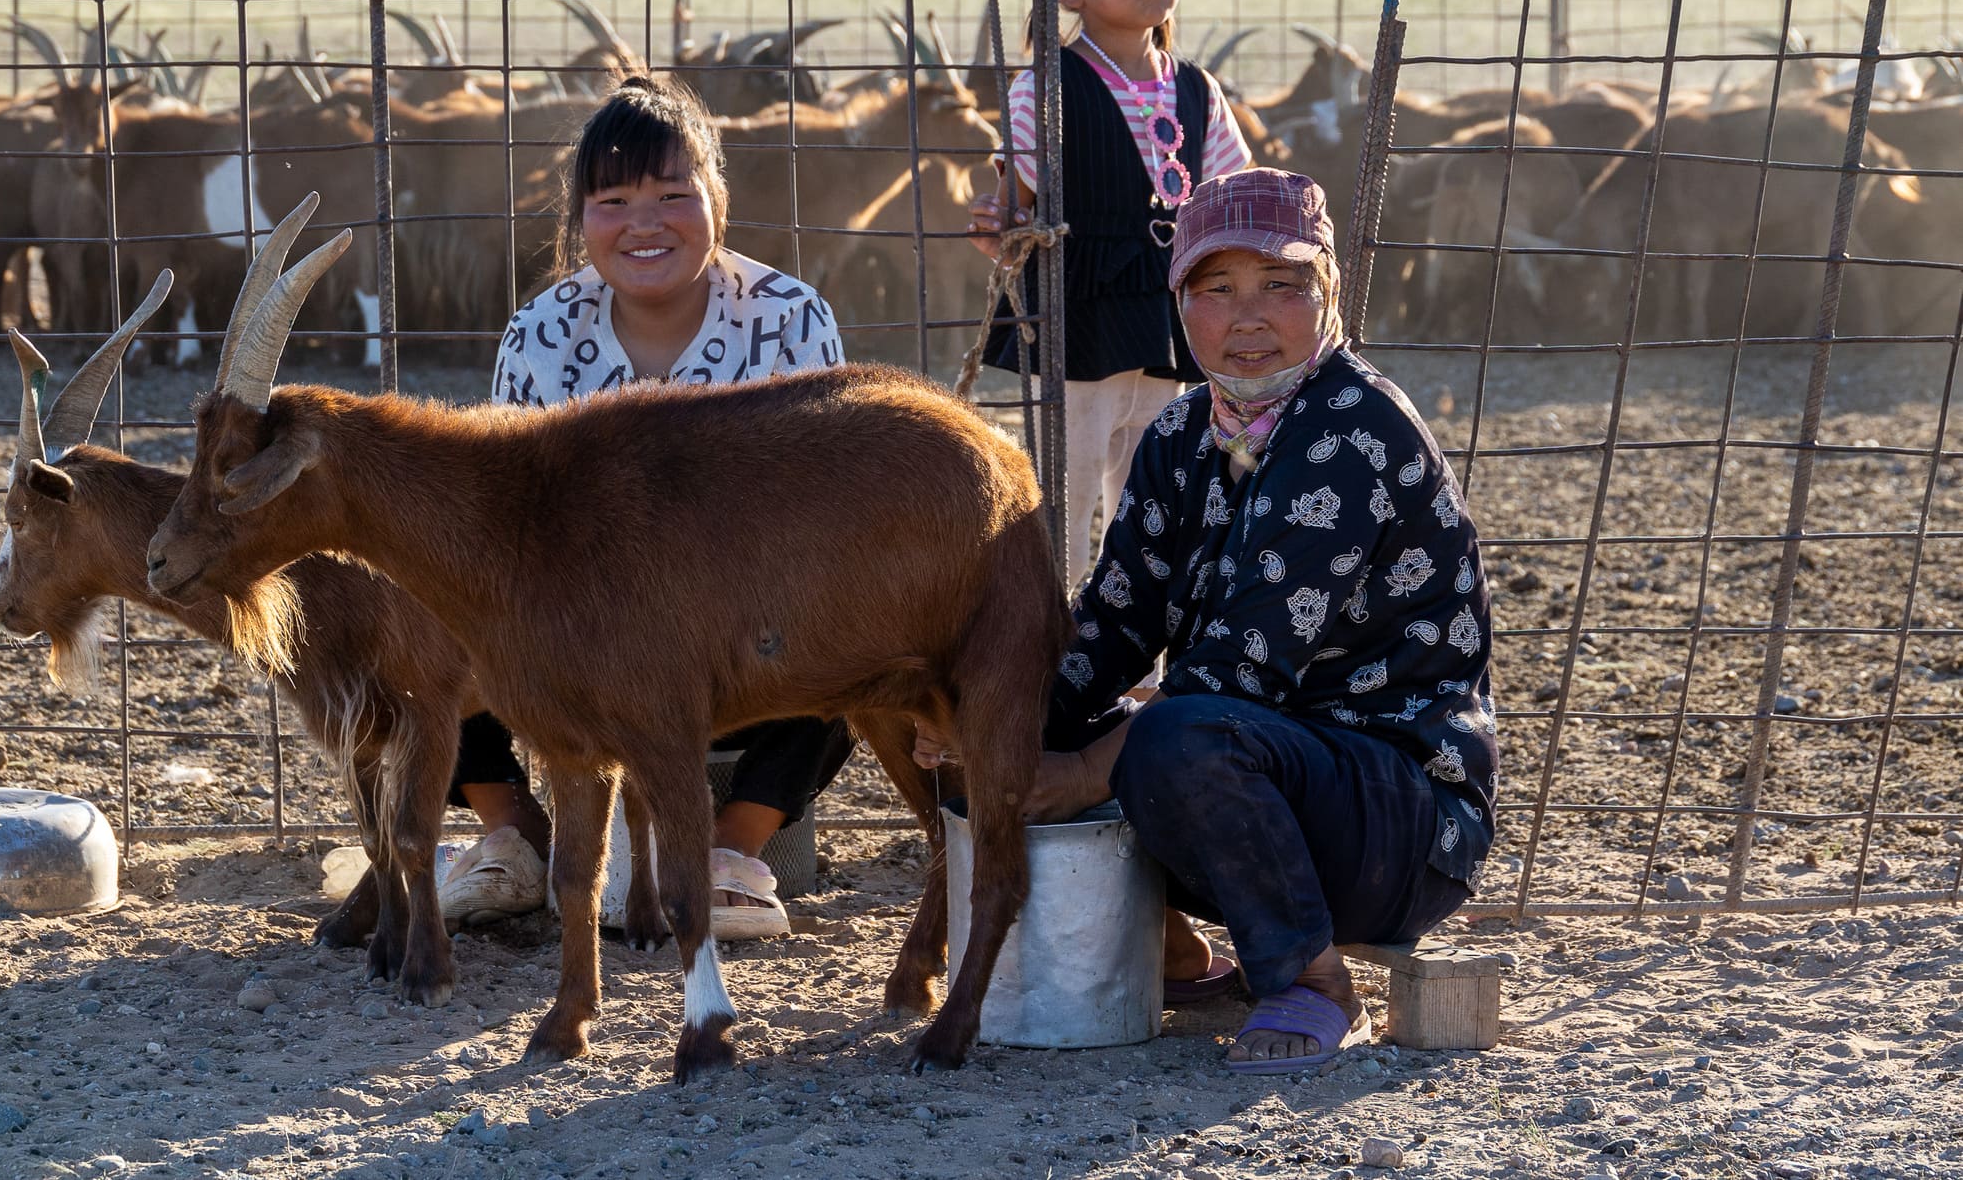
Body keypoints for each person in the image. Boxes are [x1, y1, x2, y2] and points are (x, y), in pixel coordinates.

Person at [930, 168, 1497, 1072]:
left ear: (1329, 296)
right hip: (1264, 779)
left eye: (1283, 286)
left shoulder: (1352, 433)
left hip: (1396, 818)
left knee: (1177, 738)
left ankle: (1311, 981)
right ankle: (1176, 954)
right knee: (1023, 724)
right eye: (1215, 288)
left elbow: (1241, 671)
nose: (1248, 317)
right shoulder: (1185, 430)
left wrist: (1078, 772)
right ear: (1178, 301)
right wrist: (994, 719)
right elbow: (1114, 619)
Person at [452, 75, 855, 942]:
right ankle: (509, 836)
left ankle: (727, 855)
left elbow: (818, 520)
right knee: (424, 622)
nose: (645, 223)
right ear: (579, 217)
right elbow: (505, 526)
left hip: (744, 625)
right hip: (581, 632)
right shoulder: (540, 333)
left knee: (860, 634)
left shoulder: (790, 319)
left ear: (718, 198)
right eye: (614, 200)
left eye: (675, 195)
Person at [969, 0, 1253, 586]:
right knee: (1060, 496)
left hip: (1168, 316)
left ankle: (1141, 668)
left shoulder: (1197, 89)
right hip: (1079, 317)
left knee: (1156, 496)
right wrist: (999, 223)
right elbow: (1015, 207)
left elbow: (1228, 195)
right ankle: (1051, 650)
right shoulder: (1045, 85)